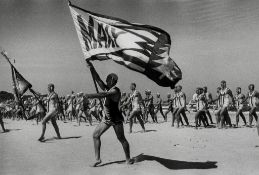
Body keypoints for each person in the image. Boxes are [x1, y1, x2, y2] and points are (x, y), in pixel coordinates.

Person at [85, 62, 133, 167]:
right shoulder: (108, 88)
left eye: (108, 79)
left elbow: (103, 95)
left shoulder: (115, 91)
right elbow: (98, 80)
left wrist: (90, 95)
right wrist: (92, 68)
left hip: (116, 119)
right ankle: (97, 159)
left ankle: (128, 159)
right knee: (95, 135)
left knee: (121, 139)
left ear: (112, 81)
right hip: (107, 119)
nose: (106, 80)